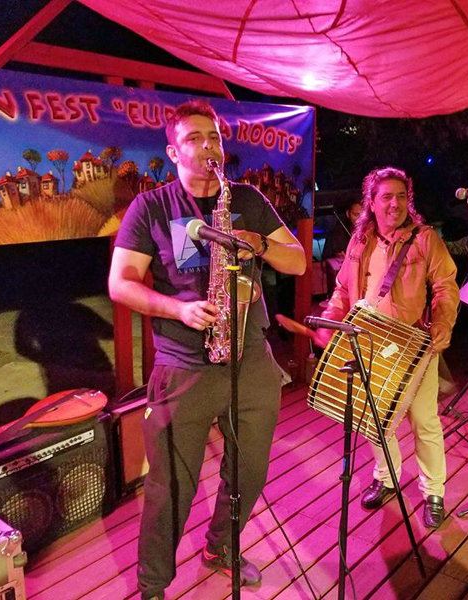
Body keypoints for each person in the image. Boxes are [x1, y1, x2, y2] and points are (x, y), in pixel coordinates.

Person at [108, 100, 306, 600]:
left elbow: (299, 262)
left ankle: (221, 547)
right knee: (171, 487)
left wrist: (259, 243)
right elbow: (120, 283)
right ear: (174, 152)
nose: (207, 146)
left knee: (250, 471)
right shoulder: (151, 207)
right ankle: (154, 584)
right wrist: (177, 310)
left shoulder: (248, 199)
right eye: (194, 138)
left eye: (213, 137)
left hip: (250, 358)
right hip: (184, 365)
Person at [315, 167, 459, 530]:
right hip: (369, 342)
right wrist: (331, 320)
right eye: (387, 197)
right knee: (374, 420)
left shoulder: (425, 239)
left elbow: (445, 286)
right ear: (372, 202)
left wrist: (443, 323)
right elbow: (342, 290)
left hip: (413, 343)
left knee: (424, 420)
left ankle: (434, 492)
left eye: (401, 196)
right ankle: (387, 476)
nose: (395, 204)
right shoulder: (360, 241)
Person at [322, 199, 364, 297]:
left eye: (362, 215)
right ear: (348, 214)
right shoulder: (338, 231)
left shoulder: (373, 232)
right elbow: (326, 260)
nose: (359, 219)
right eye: (356, 215)